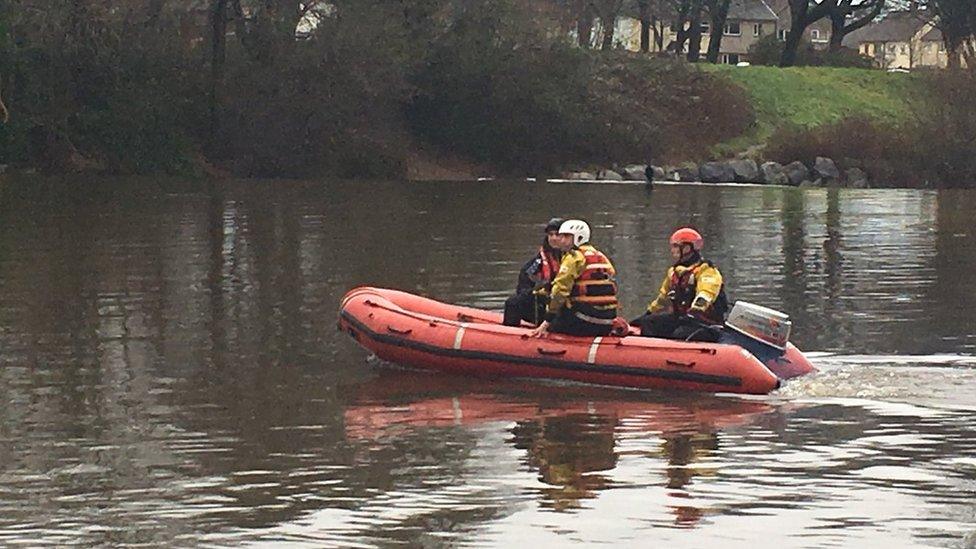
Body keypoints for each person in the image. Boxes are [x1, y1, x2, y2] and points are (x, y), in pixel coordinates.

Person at [632, 227, 729, 342]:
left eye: (676, 246)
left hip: (704, 323)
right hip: (683, 318)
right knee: (649, 323)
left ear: (688, 248)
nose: (673, 250)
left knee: (680, 333)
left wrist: (696, 310)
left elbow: (706, 293)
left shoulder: (707, 271)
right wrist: (648, 313)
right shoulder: (674, 273)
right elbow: (662, 299)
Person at [529, 219, 619, 337]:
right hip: (607, 321)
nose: (561, 240)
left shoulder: (573, 257)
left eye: (566, 236)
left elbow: (560, 291)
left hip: (581, 321)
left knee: (551, 319)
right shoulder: (601, 256)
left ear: (578, 237)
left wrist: (548, 320)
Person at [503, 218, 565, 327]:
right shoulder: (539, 261)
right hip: (544, 303)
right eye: (551, 235)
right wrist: (533, 292)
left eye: (558, 234)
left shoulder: (574, 258)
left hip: (565, 304)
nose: (554, 238)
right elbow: (525, 280)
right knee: (513, 303)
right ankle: (511, 337)